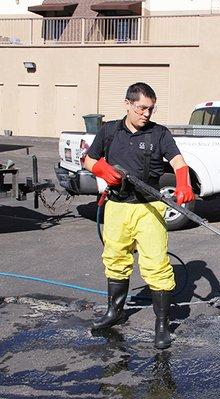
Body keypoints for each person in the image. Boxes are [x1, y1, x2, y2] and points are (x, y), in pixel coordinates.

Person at [84, 82, 195, 349]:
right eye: (141, 108)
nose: (146, 114)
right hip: (117, 208)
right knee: (115, 258)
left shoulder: (160, 134)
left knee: (157, 265)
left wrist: (183, 180)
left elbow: (178, 161)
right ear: (127, 103)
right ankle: (115, 312)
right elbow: (88, 159)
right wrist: (100, 168)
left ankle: (162, 325)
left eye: (151, 109)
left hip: (149, 208)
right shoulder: (109, 131)